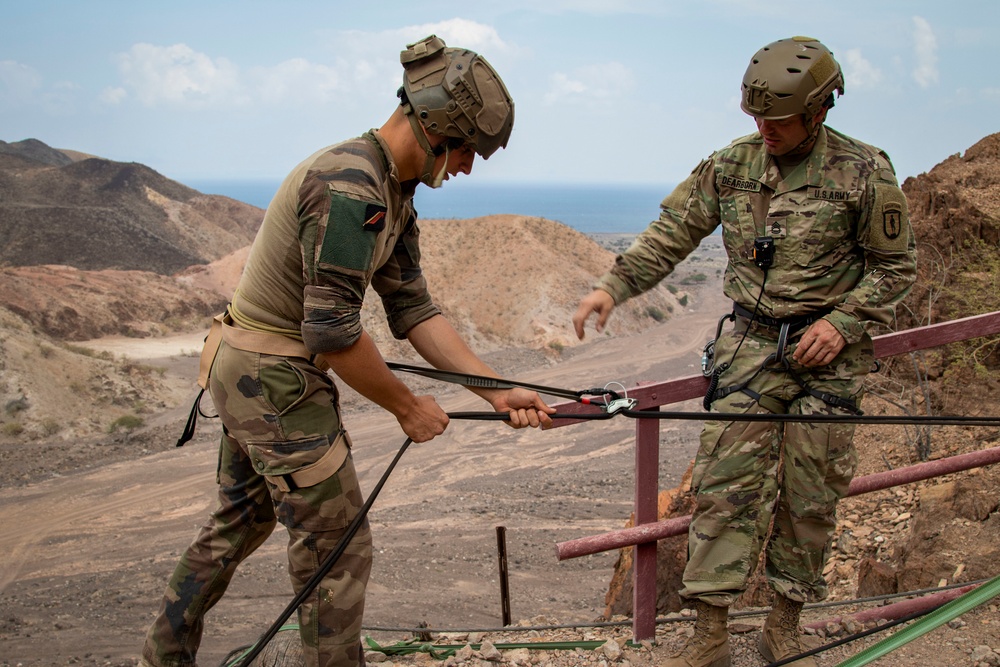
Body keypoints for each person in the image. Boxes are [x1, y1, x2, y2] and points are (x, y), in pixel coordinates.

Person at [141, 34, 554, 667]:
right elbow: (332, 333)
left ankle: (161, 657)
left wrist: (495, 391)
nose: (469, 168)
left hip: (251, 370)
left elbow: (414, 309)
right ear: (439, 129)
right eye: (469, 151)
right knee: (336, 550)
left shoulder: (393, 189)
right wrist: (406, 406)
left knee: (240, 523)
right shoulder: (352, 187)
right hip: (273, 382)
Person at [573, 36, 916, 667]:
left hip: (829, 357)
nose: (765, 130)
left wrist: (842, 323)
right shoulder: (731, 165)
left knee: (811, 494)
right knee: (724, 488)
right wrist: (612, 288)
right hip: (751, 348)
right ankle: (709, 637)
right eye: (756, 117)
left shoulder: (864, 172)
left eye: (778, 120)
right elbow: (673, 233)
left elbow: (896, 268)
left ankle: (784, 623)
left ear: (819, 111)